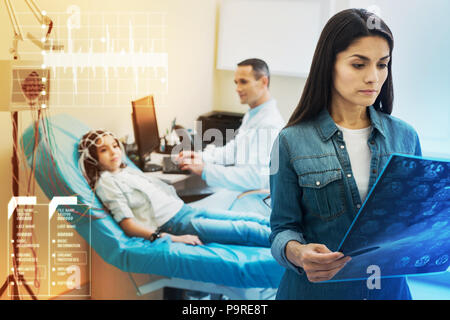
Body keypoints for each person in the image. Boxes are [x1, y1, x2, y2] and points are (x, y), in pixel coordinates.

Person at [269, 9, 422, 300]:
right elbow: (281, 229)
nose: (373, 77)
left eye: (382, 65)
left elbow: (413, 221)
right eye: (358, 64)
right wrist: (298, 253)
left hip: (389, 292)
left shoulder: (406, 137)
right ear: (329, 65)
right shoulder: (291, 141)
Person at [78, 129, 270, 247]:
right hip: (174, 224)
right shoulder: (107, 183)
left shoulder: (124, 170)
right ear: (92, 158)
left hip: (185, 211)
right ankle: (293, 247)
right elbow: (127, 225)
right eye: (104, 150)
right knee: (245, 230)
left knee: (248, 218)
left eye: (114, 145)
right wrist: (171, 238)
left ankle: (295, 233)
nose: (114, 152)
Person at [176, 58, 285, 192]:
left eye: (244, 82)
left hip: (251, 199)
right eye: (236, 82)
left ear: (263, 81)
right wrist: (201, 157)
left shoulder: (269, 124)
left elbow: (256, 178)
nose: (238, 88)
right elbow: (234, 151)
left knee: (186, 203)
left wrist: (205, 170)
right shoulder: (253, 115)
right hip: (240, 192)